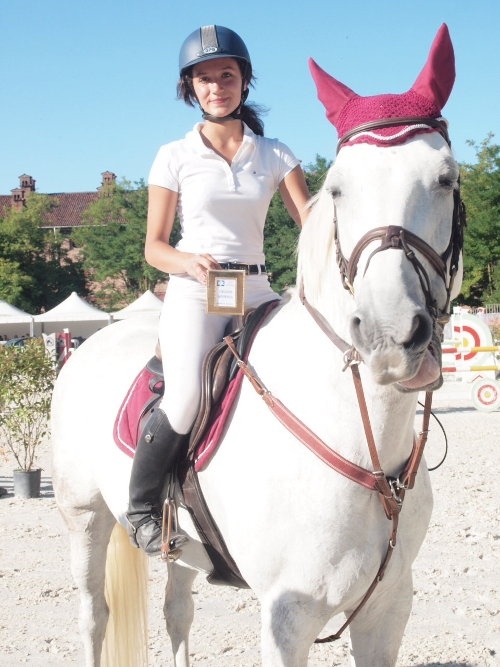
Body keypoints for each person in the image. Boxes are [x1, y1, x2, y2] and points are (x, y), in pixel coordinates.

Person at [126, 24, 310, 555]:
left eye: (226, 75)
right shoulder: (173, 155)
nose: (216, 87)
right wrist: (187, 261)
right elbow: (154, 248)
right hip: (196, 289)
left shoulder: (275, 154)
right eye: (204, 79)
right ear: (190, 88)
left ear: (244, 81)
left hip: (257, 288)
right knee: (186, 395)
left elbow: (313, 225)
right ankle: (141, 508)